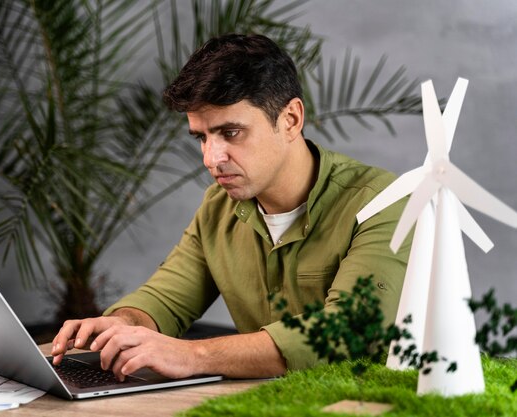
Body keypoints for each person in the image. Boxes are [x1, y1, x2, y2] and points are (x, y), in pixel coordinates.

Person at [51, 33, 410, 380]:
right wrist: (124, 323)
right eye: (202, 137)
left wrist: (192, 355)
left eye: (231, 133)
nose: (212, 158)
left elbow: (349, 332)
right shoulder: (218, 208)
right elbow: (165, 297)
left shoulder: (383, 201)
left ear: (291, 120)